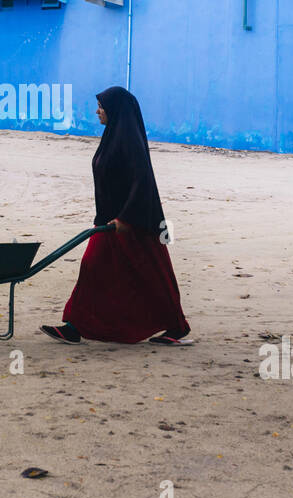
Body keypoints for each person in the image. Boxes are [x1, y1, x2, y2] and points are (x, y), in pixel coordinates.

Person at [41, 86, 191, 346]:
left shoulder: (128, 141)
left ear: (115, 110)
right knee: (93, 270)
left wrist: (126, 219)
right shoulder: (112, 136)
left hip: (136, 224)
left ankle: (177, 328)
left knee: (154, 276)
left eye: (101, 106)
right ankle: (74, 326)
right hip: (109, 223)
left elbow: (142, 181)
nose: (97, 111)